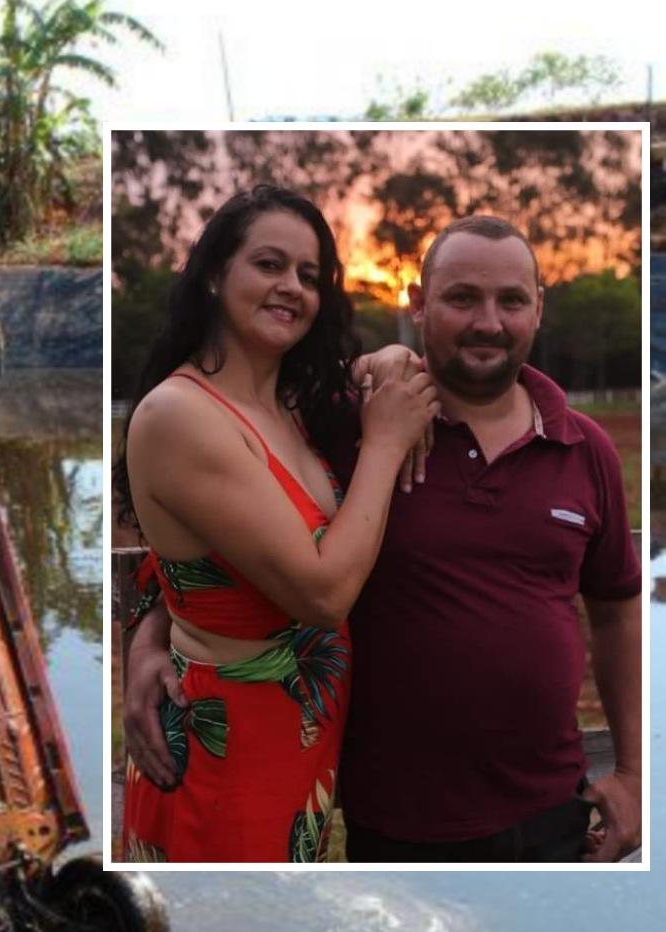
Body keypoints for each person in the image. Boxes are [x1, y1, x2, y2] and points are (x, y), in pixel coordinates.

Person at [123, 214, 642, 863]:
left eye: (510, 300)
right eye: (460, 298)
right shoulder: (345, 423)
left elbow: (618, 605)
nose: (488, 322)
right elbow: (205, 527)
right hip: (393, 819)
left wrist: (631, 771)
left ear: (537, 309)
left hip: (550, 807)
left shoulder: (583, 447)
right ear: (417, 305)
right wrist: (151, 634)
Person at [116, 185, 437, 863]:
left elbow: (198, 554)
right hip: (225, 757)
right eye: (268, 265)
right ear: (212, 275)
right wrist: (382, 444)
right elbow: (321, 596)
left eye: (309, 275)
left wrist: (383, 360)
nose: (290, 287)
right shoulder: (180, 416)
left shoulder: (286, 401)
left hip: (295, 750)